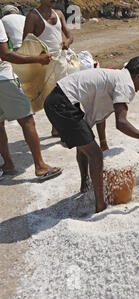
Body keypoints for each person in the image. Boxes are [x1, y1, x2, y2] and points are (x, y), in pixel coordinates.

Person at [44, 56, 139, 213]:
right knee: (95, 155)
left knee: (84, 142)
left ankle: (85, 184)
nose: (138, 89)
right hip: (62, 104)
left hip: (58, 99)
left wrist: (103, 141)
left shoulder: (114, 76)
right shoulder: (125, 83)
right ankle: (100, 205)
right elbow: (121, 123)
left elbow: (100, 117)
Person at [0, 20, 62, 181]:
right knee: (27, 120)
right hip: (3, 80)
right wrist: (37, 59)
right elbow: (5, 54)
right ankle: (40, 166)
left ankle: (8, 164)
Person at [23, 0, 73, 137]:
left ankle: (57, 127)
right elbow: (26, 42)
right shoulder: (33, 16)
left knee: (62, 94)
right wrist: (39, 56)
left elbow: (69, 35)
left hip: (60, 61)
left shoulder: (59, 14)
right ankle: (57, 127)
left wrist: (67, 42)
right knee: (50, 97)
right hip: (44, 64)